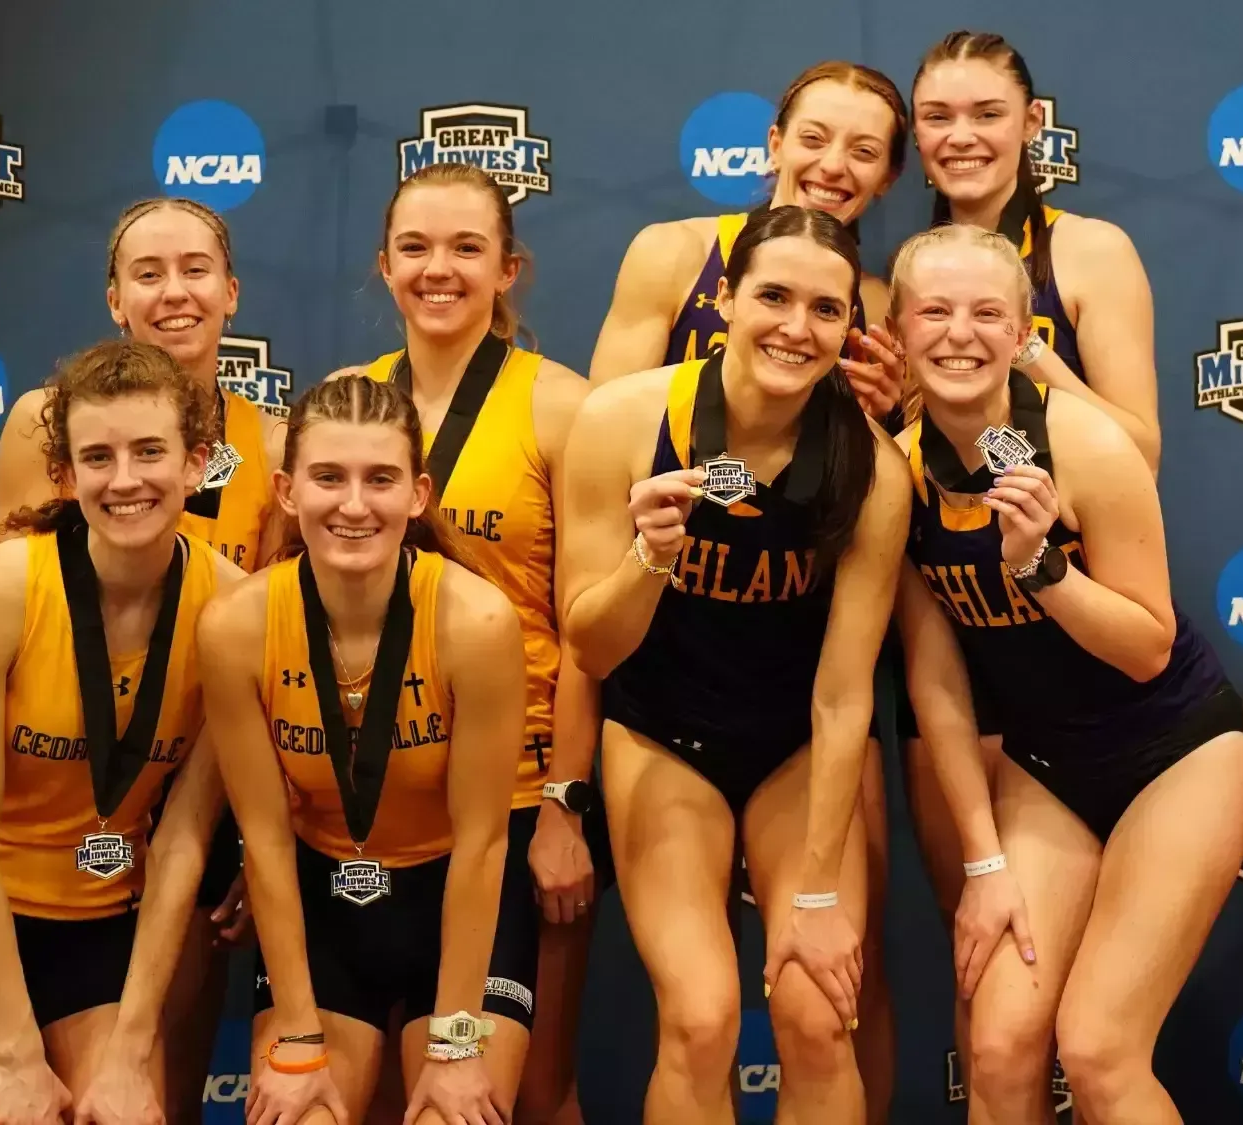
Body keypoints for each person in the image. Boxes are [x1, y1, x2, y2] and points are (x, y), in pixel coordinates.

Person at [588, 68, 911, 1117]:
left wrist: (816, 893)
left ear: (851, 327)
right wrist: (649, 555)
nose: (794, 326)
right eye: (771, 297)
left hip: (797, 744)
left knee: (819, 1011)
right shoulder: (628, 421)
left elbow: (841, 692)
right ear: (723, 300)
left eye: (826, 309)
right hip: (659, 733)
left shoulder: (873, 469)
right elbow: (591, 647)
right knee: (699, 1016)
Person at [890, 222, 1243, 1125]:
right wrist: (983, 860)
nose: (958, 334)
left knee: (1097, 1047)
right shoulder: (893, 471)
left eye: (986, 313)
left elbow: (1146, 645)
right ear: (897, 329)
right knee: (1002, 1044)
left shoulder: (1084, 443)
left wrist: (1040, 566)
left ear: (1022, 336)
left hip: (1173, 751)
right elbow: (936, 681)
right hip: (1046, 764)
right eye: (933, 311)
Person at [0, 197, 280, 1118]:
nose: (174, 291)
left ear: (232, 292)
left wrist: (240, 842)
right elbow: (10, 623)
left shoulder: (272, 440)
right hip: (46, 807)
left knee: (156, 1081)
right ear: (116, 300)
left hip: (184, 808)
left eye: (196, 269)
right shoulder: (45, 421)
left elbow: (263, 655)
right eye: (147, 273)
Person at [0, 340, 242, 1125]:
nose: (125, 479)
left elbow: (185, 840)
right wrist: (19, 1057)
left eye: (150, 451)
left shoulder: (232, 613)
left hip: (99, 916)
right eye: (98, 456)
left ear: (197, 464)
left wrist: (132, 1048)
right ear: (64, 475)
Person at [329, 161, 596, 1125]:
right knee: (400, 1085)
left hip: (522, 792)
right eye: (415, 248)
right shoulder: (340, 404)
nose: (438, 269)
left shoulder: (562, 405)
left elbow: (589, 628)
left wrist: (566, 805)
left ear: (508, 268)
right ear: (385, 265)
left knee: (529, 1089)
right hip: (369, 796)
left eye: (466, 248)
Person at [196, 375, 534, 1125]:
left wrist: (453, 1044)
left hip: (456, 904)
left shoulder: (476, 621)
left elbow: (483, 842)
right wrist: (298, 1038)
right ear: (286, 491)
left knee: (456, 1118)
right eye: (328, 477)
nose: (354, 505)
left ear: (418, 494)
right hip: (323, 915)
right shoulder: (236, 626)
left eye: (379, 478)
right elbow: (266, 839)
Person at [589, 60, 910, 415]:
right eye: (813, 139)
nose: (833, 165)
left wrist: (877, 420)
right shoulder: (676, 252)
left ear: (887, 178)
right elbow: (604, 423)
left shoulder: (874, 304)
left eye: (863, 151)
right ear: (776, 145)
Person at [906, 30, 1159, 469]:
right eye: (938, 117)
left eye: (987, 115)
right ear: (916, 131)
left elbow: (1142, 456)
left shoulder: (1091, 251)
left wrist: (1025, 350)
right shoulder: (911, 266)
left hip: (1068, 529)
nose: (961, 136)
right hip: (942, 531)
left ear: (1032, 121)